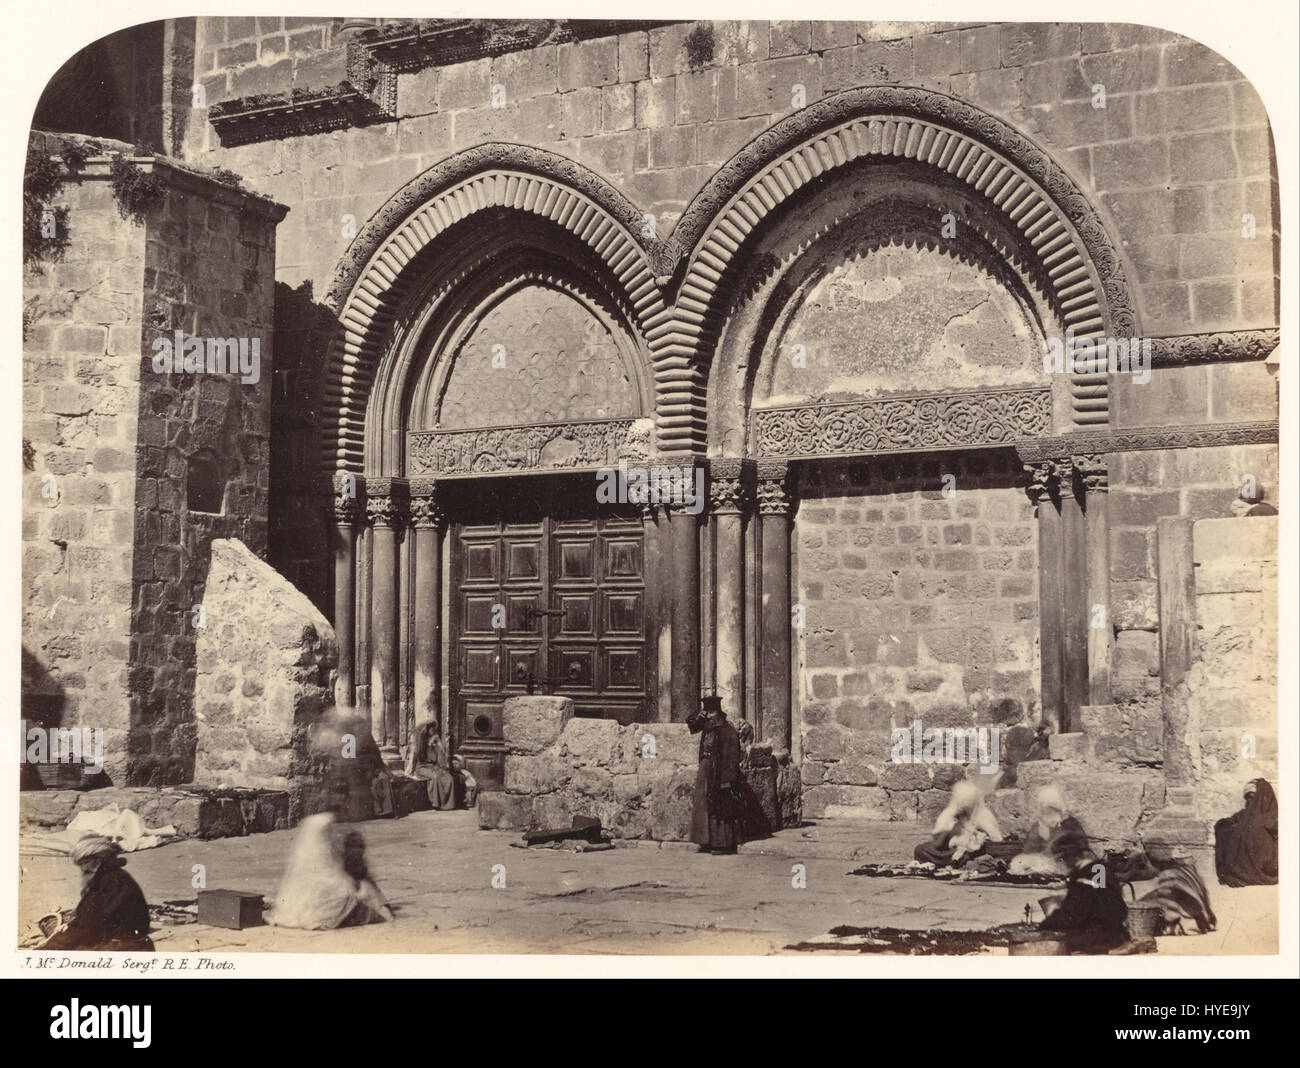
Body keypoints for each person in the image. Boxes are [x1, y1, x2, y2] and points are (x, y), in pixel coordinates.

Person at [269, 813, 394, 930]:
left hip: (315, 893)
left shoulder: (305, 864)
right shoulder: (329, 848)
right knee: (355, 892)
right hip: (334, 894)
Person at [43, 835, 154, 951]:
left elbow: (88, 926)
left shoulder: (112, 881)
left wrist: (50, 945)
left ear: (98, 860)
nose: (83, 868)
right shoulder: (109, 877)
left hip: (125, 948)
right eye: (81, 863)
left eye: (85, 862)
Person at [1037, 829, 1129, 953]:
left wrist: (1047, 922)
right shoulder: (1099, 868)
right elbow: (1103, 903)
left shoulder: (1084, 876)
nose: (1063, 863)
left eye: (1062, 859)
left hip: (1099, 938)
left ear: (1071, 857)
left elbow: (1074, 915)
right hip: (1116, 933)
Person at [689, 696, 743, 855]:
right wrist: (699, 714)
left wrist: (727, 780)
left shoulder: (727, 730)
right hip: (705, 771)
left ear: (718, 713)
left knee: (720, 809)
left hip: (719, 774)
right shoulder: (707, 727)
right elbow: (692, 725)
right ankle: (706, 841)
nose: (708, 715)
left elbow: (731, 758)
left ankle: (722, 844)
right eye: (706, 712)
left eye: (711, 712)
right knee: (703, 806)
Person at [913, 780, 1002, 867]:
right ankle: (951, 862)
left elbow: (996, 840)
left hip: (967, 852)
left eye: (967, 801)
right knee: (920, 849)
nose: (964, 805)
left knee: (968, 856)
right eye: (961, 801)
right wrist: (950, 829)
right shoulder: (950, 813)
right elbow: (937, 843)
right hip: (947, 851)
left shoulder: (983, 815)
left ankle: (955, 862)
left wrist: (975, 839)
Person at [1009, 785, 1087, 876]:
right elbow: (1028, 849)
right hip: (1043, 863)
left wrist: (1048, 838)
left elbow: (1067, 851)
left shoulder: (1070, 824)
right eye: (1042, 805)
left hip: (1066, 864)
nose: (1045, 808)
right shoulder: (1038, 825)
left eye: (1050, 806)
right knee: (1018, 862)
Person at [1214, 778, 1278, 887]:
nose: (1250, 801)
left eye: (1253, 797)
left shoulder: (1270, 817)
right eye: (1248, 798)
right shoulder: (1244, 816)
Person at [409, 722, 456, 810]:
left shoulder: (435, 742)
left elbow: (441, 758)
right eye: (431, 729)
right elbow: (415, 757)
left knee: (449, 777)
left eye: (434, 729)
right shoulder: (420, 743)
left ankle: (448, 804)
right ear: (427, 730)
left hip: (433, 767)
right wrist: (411, 770)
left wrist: (439, 744)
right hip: (421, 768)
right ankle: (436, 803)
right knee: (436, 777)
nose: (433, 730)